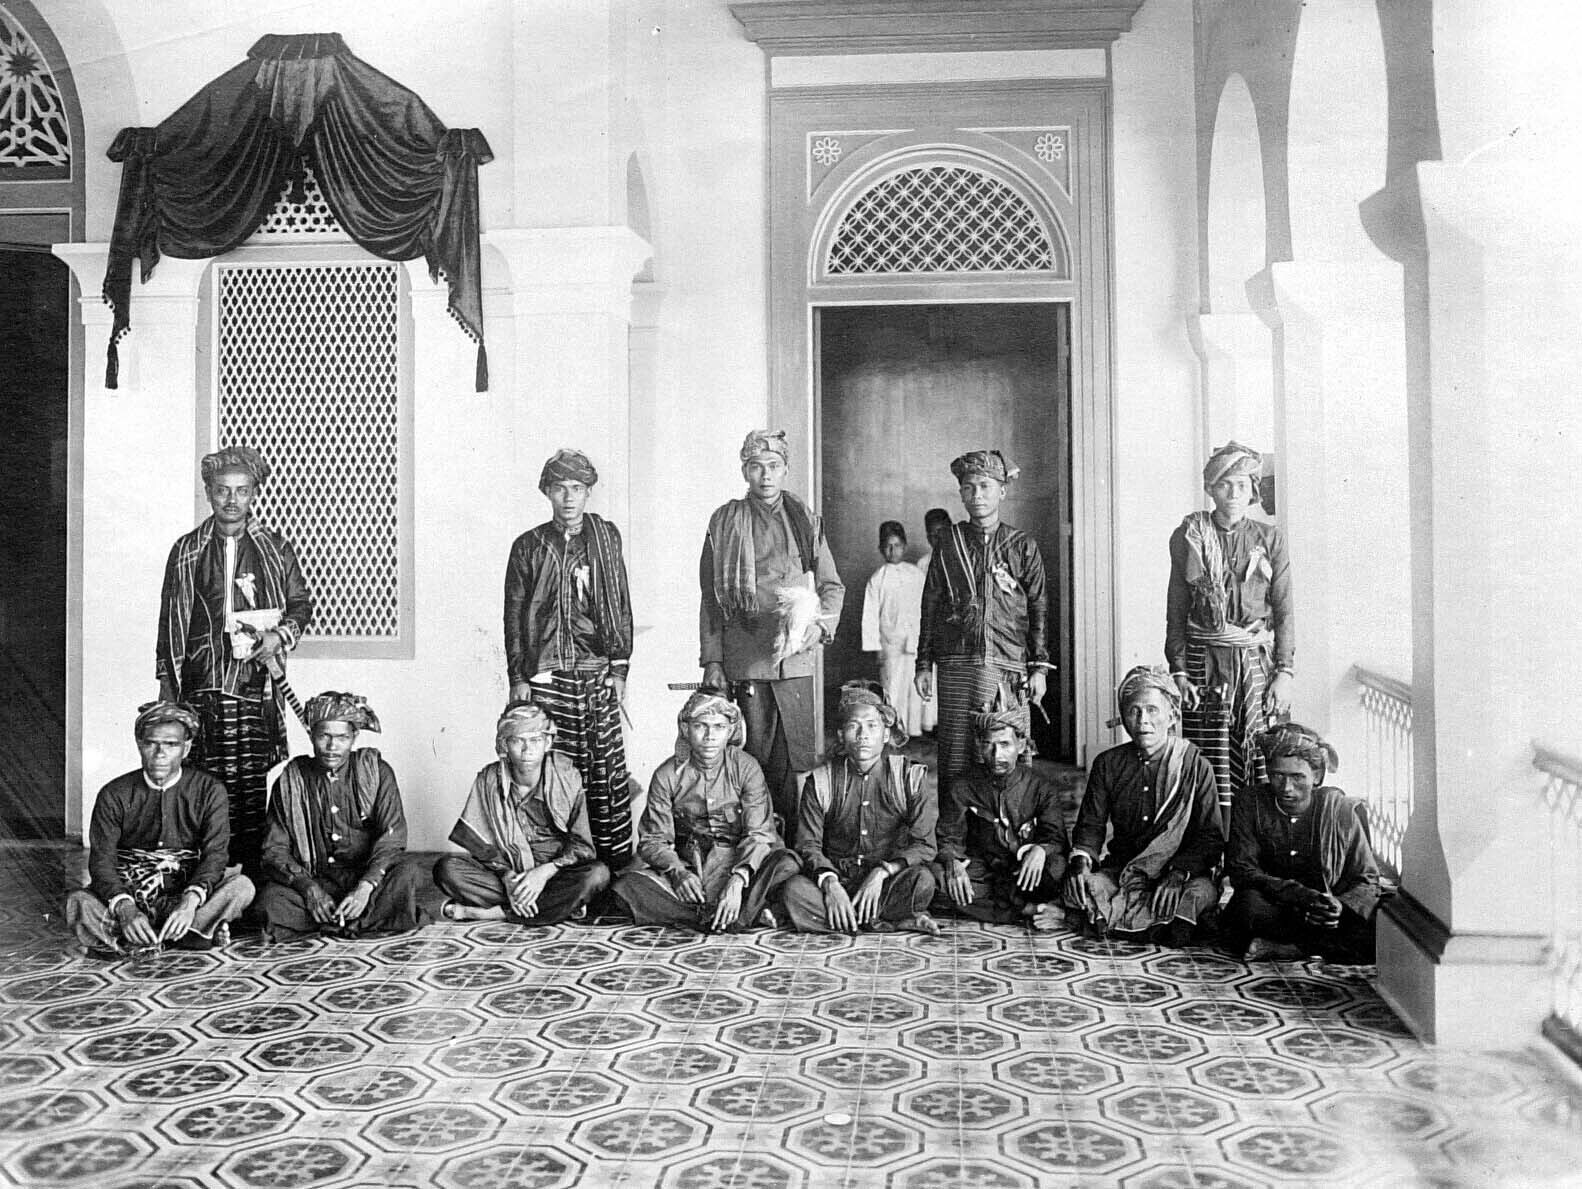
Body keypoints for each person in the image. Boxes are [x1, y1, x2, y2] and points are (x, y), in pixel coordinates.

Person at [157, 446, 312, 878]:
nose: (231, 499)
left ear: (253, 494)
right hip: (200, 685)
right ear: (208, 492)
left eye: (241, 491)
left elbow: (300, 605)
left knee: (248, 784)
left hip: (253, 685)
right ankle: (204, 876)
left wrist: (278, 636)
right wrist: (168, 688)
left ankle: (248, 881)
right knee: (203, 782)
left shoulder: (275, 549)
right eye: (223, 490)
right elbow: (169, 624)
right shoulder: (186, 551)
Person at [699, 429, 844, 837]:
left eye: (774, 466)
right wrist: (713, 660)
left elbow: (832, 586)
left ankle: (800, 845)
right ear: (744, 471)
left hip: (794, 660)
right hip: (746, 658)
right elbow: (710, 598)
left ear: (785, 469)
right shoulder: (724, 522)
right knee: (753, 760)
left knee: (800, 760)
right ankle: (757, 844)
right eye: (756, 467)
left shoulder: (805, 520)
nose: (765, 475)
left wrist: (821, 628)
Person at [504, 448, 635, 867]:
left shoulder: (604, 540)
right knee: (553, 766)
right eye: (559, 488)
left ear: (588, 492)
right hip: (545, 675)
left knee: (602, 769)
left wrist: (619, 667)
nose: (568, 497)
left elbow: (620, 604)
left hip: (595, 670)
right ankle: (557, 863)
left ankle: (609, 864)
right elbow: (514, 616)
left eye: (577, 488)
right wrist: (518, 677)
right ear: (547, 492)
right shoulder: (528, 546)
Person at [1166, 440, 1294, 826]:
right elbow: (1176, 610)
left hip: (1256, 662)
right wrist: (1179, 671)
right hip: (1204, 661)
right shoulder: (1190, 536)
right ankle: (1211, 842)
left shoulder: (1269, 539)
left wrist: (1284, 672)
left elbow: (1284, 610)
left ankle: (1253, 842)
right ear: (1210, 489)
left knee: (1258, 751)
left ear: (1252, 489)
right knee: (1209, 756)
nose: (1233, 494)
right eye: (1224, 485)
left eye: (1241, 485)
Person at [915, 451, 1051, 807]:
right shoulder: (948, 543)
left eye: (985, 486)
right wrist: (923, 664)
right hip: (955, 666)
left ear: (1002, 491)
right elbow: (930, 605)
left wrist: (1038, 668)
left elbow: (1038, 608)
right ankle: (954, 832)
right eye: (969, 487)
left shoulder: (1022, 546)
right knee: (956, 755)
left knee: (1003, 751)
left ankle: (1007, 829)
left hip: (1006, 663)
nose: (977, 494)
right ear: (961, 493)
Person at [66, 702, 255, 957]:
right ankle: (194, 933)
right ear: (139, 745)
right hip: (131, 892)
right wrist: (125, 909)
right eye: (151, 743)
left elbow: (215, 855)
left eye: (171, 744)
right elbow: (102, 862)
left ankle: (138, 939)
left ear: (186, 748)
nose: (160, 753)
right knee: (78, 902)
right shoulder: (114, 794)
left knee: (242, 886)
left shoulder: (209, 790)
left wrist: (189, 903)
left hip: (184, 890)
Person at [611, 691, 801, 932]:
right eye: (701, 726)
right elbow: (653, 840)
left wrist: (737, 880)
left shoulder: (746, 767)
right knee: (627, 886)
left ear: (730, 731)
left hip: (743, 860)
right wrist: (678, 873)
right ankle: (741, 915)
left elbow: (759, 834)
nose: (710, 736)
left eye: (719, 727)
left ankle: (714, 914)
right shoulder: (667, 775)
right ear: (685, 729)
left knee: (786, 864)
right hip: (694, 865)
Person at [1064, 666, 1222, 945]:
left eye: (1152, 710)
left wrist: (1177, 874)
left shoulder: (1195, 766)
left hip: (1180, 877)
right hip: (1124, 872)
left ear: (1172, 716)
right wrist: (1081, 862)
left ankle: (1108, 920)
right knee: (1081, 887)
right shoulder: (1108, 764)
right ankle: (1157, 926)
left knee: (1197, 895)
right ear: (1123, 717)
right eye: (1133, 711)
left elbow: (1210, 837)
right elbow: (1090, 826)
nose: (1142, 721)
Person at [256, 692, 426, 939]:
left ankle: (331, 923)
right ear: (311, 735)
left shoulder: (376, 771)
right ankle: (365, 921)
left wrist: (365, 887)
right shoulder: (290, 781)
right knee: (270, 901)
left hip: (366, 878)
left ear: (354, 737)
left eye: (342, 738)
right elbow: (274, 849)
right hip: (316, 879)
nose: (332, 747)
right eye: (324, 736)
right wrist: (309, 889)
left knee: (407, 873)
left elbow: (392, 839)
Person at [781, 683, 939, 935]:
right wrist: (831, 884)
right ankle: (887, 921)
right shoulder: (821, 781)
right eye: (853, 726)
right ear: (841, 735)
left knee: (923, 881)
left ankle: (845, 921)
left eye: (872, 726)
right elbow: (808, 844)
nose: (863, 734)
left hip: (885, 884)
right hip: (838, 880)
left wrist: (882, 872)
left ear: (885, 735)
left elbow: (924, 845)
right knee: (794, 890)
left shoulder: (908, 777)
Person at [435, 703, 612, 926]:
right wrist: (507, 878)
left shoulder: (567, 776)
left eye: (535, 740)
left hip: (556, 872)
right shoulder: (489, 780)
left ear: (548, 743)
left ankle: (494, 913)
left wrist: (543, 874)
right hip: (511, 873)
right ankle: (557, 905)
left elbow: (582, 846)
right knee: (447, 869)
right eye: (518, 740)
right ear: (505, 744)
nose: (527, 750)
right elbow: (482, 847)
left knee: (597, 875)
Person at [1224, 723, 1380, 963]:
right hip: (1276, 904)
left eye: (1297, 777)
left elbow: (1367, 878)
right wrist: (1300, 896)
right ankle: (1315, 947)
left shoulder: (1339, 810)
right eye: (1277, 776)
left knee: (1382, 924)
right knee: (1246, 908)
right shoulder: (1250, 802)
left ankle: (1292, 949)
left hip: (1326, 912)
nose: (1286, 788)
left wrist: (1338, 906)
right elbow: (1242, 870)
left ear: (1316, 776)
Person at [936, 702, 1068, 930]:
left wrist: (1040, 850)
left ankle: (1002, 906)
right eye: (988, 745)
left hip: (1024, 871)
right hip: (984, 870)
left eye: (1005, 744)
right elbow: (949, 838)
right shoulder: (962, 786)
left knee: (1057, 868)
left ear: (1021, 745)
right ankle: (1028, 909)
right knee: (935, 879)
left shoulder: (1041, 786)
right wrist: (953, 863)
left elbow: (1057, 838)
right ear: (979, 745)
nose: (996, 755)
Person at [861, 521, 927, 738]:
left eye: (897, 545)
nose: (893, 550)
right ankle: (893, 730)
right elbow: (870, 616)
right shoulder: (877, 579)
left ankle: (914, 729)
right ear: (881, 549)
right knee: (892, 687)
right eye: (888, 546)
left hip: (915, 639)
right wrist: (876, 646)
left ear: (904, 546)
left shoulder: (916, 574)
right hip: (890, 643)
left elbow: (926, 605)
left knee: (914, 686)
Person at [914, 508, 952, 735]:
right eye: (931, 535)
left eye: (941, 533)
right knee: (931, 676)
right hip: (933, 626)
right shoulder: (923, 564)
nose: (936, 539)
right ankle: (932, 725)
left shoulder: (960, 557)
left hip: (954, 629)